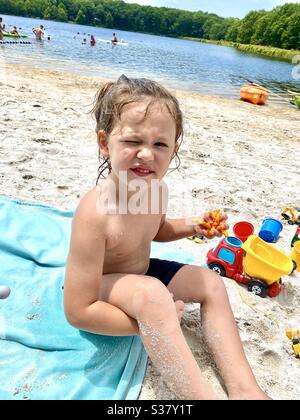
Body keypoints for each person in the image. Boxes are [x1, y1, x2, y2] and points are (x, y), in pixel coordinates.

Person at [64, 75, 271, 400]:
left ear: (173, 150)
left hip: (142, 275)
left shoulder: (155, 190)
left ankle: (245, 387)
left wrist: (192, 226)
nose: (146, 154)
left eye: (160, 144)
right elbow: (78, 310)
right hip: (102, 287)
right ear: (105, 144)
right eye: (133, 141)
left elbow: (155, 230)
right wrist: (148, 324)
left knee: (210, 282)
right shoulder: (95, 212)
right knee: (152, 295)